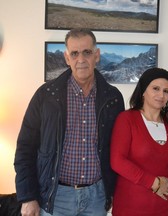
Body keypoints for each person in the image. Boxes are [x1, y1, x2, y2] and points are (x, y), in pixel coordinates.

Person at [14, 28, 125, 216]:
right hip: (55, 197)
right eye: (74, 53)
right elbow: (25, 148)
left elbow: (117, 149)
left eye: (87, 52)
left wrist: (113, 191)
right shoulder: (45, 96)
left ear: (96, 55)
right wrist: (27, 197)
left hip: (96, 198)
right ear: (67, 58)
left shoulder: (113, 98)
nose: (81, 59)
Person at [110, 68, 168, 216]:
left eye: (166, 91)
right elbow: (117, 161)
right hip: (131, 207)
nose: (161, 95)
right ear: (143, 91)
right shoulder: (126, 119)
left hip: (167, 207)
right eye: (156, 89)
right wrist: (154, 183)